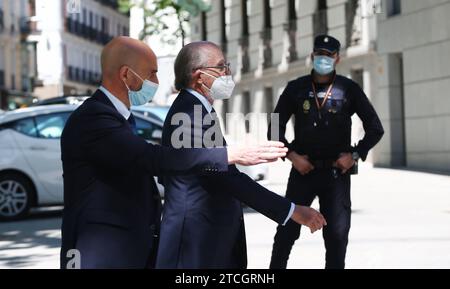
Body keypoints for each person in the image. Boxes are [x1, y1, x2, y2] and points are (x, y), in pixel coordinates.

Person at [60, 37, 288, 269]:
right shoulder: (94, 118)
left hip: (130, 249)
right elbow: (152, 158)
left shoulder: (120, 117)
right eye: (151, 74)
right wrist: (228, 154)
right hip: (100, 254)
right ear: (126, 75)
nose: (157, 82)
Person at [156, 41, 327, 269]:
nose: (228, 73)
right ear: (199, 76)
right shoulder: (189, 115)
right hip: (195, 244)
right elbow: (227, 178)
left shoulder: (198, 111)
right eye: (221, 67)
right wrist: (292, 210)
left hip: (209, 239)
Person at [268, 35, 384, 269]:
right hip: (302, 172)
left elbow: (375, 128)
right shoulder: (295, 88)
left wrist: (354, 156)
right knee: (286, 233)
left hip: (336, 176)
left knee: (337, 238)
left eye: (329, 55)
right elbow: (274, 126)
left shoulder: (348, 89)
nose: (324, 58)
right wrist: (291, 155)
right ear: (312, 56)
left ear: (337, 58)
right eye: (319, 53)